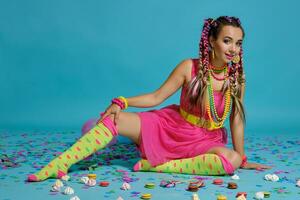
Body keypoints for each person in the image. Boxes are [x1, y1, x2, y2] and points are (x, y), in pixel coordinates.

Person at [27, 16, 271, 182]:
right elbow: (156, 96)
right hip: (172, 128)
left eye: (238, 43)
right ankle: (59, 164)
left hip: (203, 140)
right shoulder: (189, 67)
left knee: (232, 160)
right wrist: (123, 101)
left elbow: (236, 119)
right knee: (114, 118)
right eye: (227, 41)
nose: (233, 49)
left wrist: (243, 157)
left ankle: (157, 165)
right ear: (211, 42)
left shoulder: (237, 79)